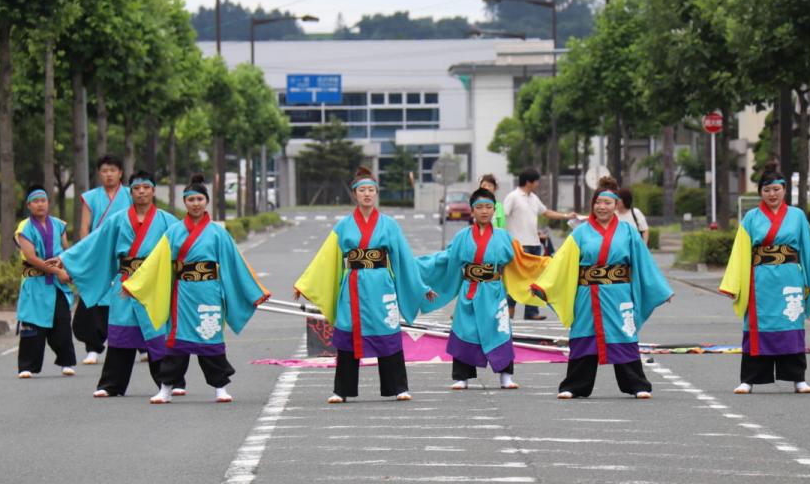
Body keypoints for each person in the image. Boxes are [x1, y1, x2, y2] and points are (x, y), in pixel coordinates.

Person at [295, 167, 435, 404]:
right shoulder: (343, 226)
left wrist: (421, 287)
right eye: (362, 190)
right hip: (353, 286)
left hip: (381, 285)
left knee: (388, 335)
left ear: (376, 193)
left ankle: (398, 387)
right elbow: (326, 258)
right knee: (349, 335)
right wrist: (305, 284)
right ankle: (342, 390)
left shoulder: (389, 225)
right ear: (355, 194)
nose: (367, 194)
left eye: (371, 190)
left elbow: (403, 258)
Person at [125, 176, 270, 405]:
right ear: (185, 203)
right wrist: (134, 285)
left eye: (200, 199)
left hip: (209, 294)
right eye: (191, 199)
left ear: (207, 201)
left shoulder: (217, 233)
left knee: (210, 340)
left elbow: (235, 263)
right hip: (182, 294)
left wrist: (253, 291)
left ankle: (220, 387)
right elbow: (156, 262)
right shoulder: (173, 232)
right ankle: (166, 389)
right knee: (175, 344)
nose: (196, 203)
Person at [531, 187, 673, 399]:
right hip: (588, 295)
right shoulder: (580, 232)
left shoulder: (628, 232)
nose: (602, 207)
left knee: (624, 335)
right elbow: (561, 262)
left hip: (619, 296)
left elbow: (643, 263)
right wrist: (543, 285)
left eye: (607, 203)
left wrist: (661, 289)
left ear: (616, 206)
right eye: (598, 202)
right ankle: (575, 385)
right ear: (593, 205)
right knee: (583, 337)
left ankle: (636, 384)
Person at [57, 171, 177, 397]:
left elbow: (182, 249)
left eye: (146, 187)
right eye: (136, 188)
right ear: (130, 192)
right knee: (121, 333)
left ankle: (170, 381)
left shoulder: (167, 220)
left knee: (157, 332)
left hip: (153, 286)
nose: (141, 191)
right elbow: (95, 243)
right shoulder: (118, 220)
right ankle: (111, 384)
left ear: (153, 191)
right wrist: (66, 259)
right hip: (125, 284)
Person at [418, 187, 548, 390]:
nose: (485, 211)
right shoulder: (462, 236)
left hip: (494, 292)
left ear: (494, 210)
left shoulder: (504, 237)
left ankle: (506, 376)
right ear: (472, 210)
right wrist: (416, 265)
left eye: (489, 207)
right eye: (480, 207)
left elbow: (521, 261)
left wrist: (546, 265)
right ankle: (462, 377)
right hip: (469, 291)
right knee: (464, 331)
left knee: (500, 331)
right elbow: (445, 259)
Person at [720, 171, 810, 395]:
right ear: (760, 192)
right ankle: (749, 379)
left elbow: (808, 249)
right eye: (766, 190)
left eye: (776, 189)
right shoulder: (751, 218)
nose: (772, 194)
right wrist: (733, 284)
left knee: (792, 325)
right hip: (760, 281)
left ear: (785, 190)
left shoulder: (797, 216)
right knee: (757, 327)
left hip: (790, 280)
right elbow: (740, 252)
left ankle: (798, 379)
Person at [73, 155, 132, 365]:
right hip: (99, 254)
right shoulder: (90, 197)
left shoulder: (131, 195)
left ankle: (141, 345)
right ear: (99, 173)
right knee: (95, 299)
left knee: (130, 296)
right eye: (105, 170)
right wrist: (87, 252)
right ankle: (93, 347)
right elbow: (84, 228)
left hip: (125, 253)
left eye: (113, 170)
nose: (109, 174)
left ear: (120, 173)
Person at [14, 187, 76, 378]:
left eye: (43, 200)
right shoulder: (24, 228)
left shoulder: (59, 224)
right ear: (29, 205)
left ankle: (66, 362)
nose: (40, 204)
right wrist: (57, 270)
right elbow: (31, 257)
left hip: (56, 283)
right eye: (36, 201)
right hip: (35, 283)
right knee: (32, 325)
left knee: (62, 321)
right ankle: (27, 366)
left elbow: (67, 251)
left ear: (48, 203)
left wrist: (67, 267)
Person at [503, 168, 577, 320]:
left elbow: (546, 212)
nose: (537, 184)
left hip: (534, 243)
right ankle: (509, 310)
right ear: (529, 182)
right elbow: (503, 216)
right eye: (536, 181)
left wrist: (566, 216)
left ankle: (531, 312)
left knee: (534, 279)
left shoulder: (533, 198)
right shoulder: (513, 197)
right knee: (516, 278)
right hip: (518, 245)